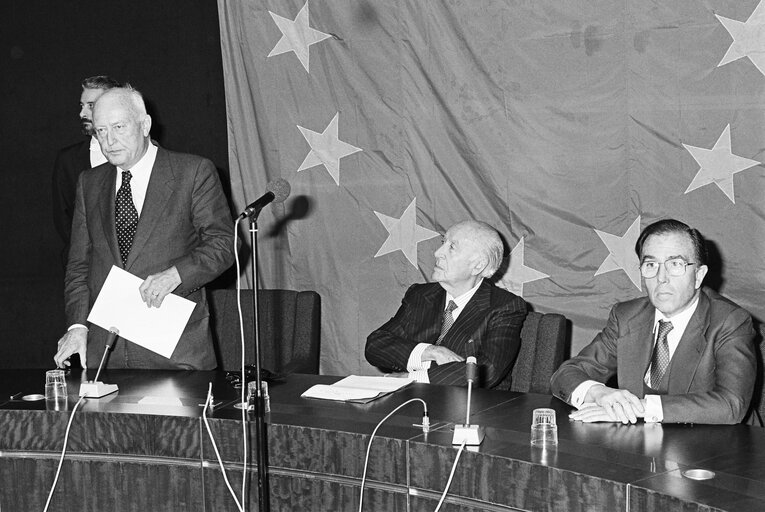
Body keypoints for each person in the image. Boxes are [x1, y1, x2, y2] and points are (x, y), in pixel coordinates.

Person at [53, 85, 235, 370]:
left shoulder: (193, 172)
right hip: (106, 355)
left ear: (145, 124)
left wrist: (177, 274)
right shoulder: (88, 183)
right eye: (101, 131)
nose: (109, 140)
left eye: (119, 127)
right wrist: (78, 325)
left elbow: (224, 244)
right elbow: (79, 266)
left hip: (176, 352)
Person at [550, 219, 756, 424]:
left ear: (699, 276)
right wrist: (598, 393)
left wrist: (641, 408)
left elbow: (731, 405)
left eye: (675, 264)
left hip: (720, 449)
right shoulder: (626, 316)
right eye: (651, 265)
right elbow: (565, 374)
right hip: (639, 445)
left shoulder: (730, 321)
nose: (661, 277)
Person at [365, 220, 527, 387]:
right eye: (443, 243)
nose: (437, 253)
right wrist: (431, 352)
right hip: (411, 404)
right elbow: (375, 346)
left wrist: (409, 379)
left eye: (452, 247)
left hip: (472, 407)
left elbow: (485, 372)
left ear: (478, 265)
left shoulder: (505, 307)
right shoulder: (421, 295)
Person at [52, 75, 122, 260]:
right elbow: (64, 219)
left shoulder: (138, 154)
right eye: (81, 106)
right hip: (87, 266)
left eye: (91, 105)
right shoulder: (68, 160)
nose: (82, 114)